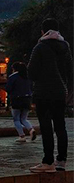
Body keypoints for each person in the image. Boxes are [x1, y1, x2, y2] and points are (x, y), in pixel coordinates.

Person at [28, 18, 73, 172]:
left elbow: (31, 72)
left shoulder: (40, 47)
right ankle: (61, 160)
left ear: (43, 31)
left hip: (43, 92)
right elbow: (70, 70)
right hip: (60, 92)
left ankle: (48, 162)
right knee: (60, 127)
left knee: (46, 127)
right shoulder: (65, 47)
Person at [5, 62, 36, 143]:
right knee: (24, 118)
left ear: (14, 69)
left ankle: (22, 136)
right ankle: (31, 130)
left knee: (16, 119)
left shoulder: (13, 77)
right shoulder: (28, 77)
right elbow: (32, 87)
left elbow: (8, 88)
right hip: (27, 99)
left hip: (17, 99)